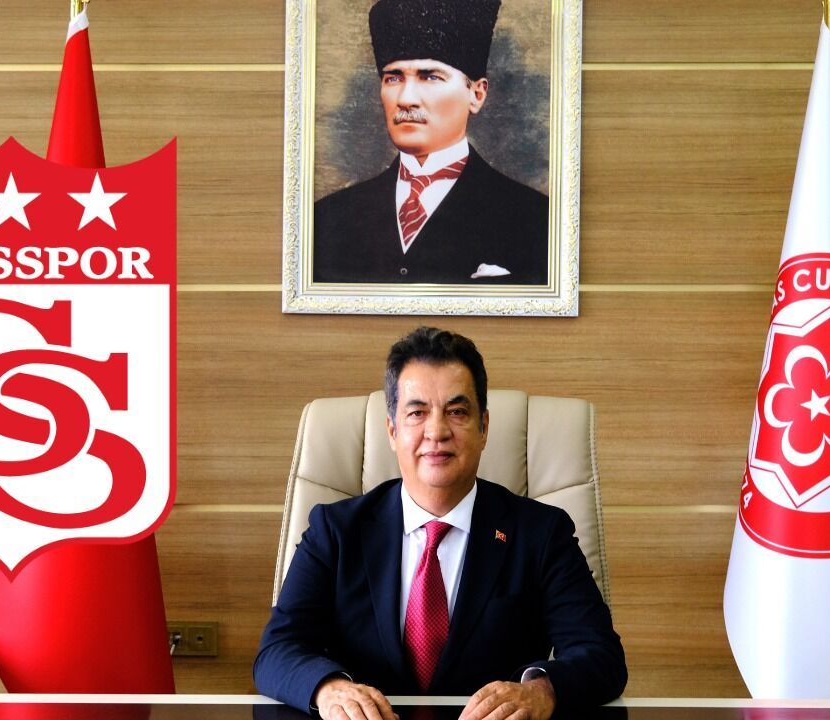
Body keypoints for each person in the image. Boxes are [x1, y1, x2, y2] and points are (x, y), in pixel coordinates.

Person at [254, 327, 626, 720]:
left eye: (457, 412)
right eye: (417, 413)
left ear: (484, 427)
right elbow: (277, 650)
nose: (437, 432)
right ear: (392, 430)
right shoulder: (335, 530)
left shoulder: (541, 533)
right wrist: (329, 689)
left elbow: (601, 655)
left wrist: (541, 689)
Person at [313, 0, 548, 286]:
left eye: (430, 77)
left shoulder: (535, 218)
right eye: (393, 78)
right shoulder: (328, 218)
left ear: (476, 94)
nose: (406, 98)